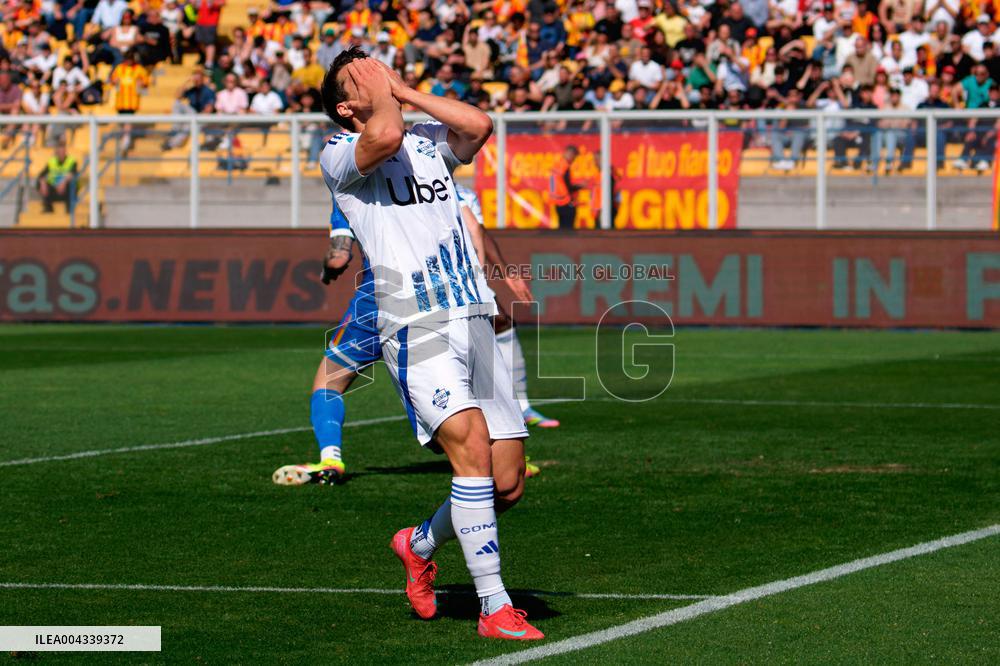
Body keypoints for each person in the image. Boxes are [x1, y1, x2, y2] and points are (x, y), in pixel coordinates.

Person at [317, 49, 543, 640]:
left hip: (472, 313)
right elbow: (384, 133)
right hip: (414, 320)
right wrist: (388, 101)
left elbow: (479, 126)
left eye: (374, 65)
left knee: (507, 483)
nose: (375, 74)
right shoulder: (340, 154)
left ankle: (417, 544)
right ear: (345, 106)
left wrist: (404, 90)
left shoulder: (423, 138)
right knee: (468, 445)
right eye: (359, 76)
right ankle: (495, 609)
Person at [37, 142, 76, 212]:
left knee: (70, 184)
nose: (62, 153)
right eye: (60, 152)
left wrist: (63, 183)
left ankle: (69, 211)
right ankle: (48, 208)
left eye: (63, 151)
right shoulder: (51, 162)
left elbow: (72, 174)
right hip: (55, 188)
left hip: (66, 190)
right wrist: (43, 184)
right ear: (57, 152)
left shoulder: (71, 161)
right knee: (39, 183)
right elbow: (41, 175)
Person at [550, 144, 581, 229]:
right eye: (574, 157)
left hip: (558, 201)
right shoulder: (565, 167)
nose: (573, 160)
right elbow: (567, 185)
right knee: (568, 230)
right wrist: (580, 186)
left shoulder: (557, 165)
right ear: (570, 154)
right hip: (566, 202)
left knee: (562, 229)